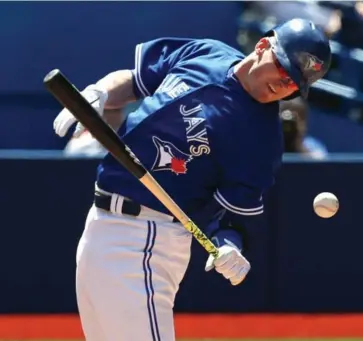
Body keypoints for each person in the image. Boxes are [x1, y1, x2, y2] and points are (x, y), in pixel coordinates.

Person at [53, 18, 331, 341]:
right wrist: (99, 92)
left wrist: (230, 246)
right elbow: (133, 82)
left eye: (295, 84)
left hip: (146, 239)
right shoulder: (205, 52)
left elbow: (232, 219)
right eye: (283, 71)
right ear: (263, 46)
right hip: (98, 223)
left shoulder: (262, 141)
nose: (284, 86)